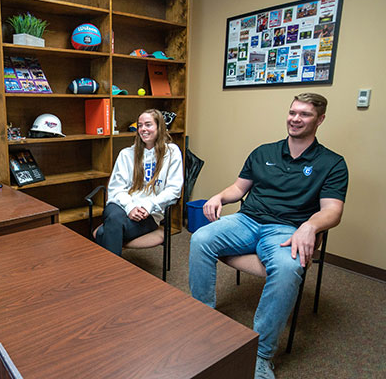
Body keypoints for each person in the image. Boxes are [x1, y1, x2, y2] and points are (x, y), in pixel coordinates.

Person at [189, 93, 348, 379]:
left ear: (320, 119)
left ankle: (261, 354)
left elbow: (333, 211)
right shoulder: (263, 152)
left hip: (288, 230)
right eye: (292, 112)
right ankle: (201, 318)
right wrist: (219, 196)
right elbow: (238, 190)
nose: (295, 119)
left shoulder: (332, 163)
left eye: (305, 114)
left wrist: (310, 226)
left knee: (289, 268)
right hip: (247, 220)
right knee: (200, 238)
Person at [95, 109, 183, 255]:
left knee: (104, 232)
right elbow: (116, 189)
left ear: (159, 127)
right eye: (140, 125)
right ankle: (115, 273)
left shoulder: (172, 153)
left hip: (147, 215)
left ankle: (109, 273)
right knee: (115, 217)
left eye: (148, 124)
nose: (143, 129)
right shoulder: (126, 154)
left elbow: (174, 189)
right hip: (120, 206)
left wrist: (149, 205)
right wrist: (130, 207)